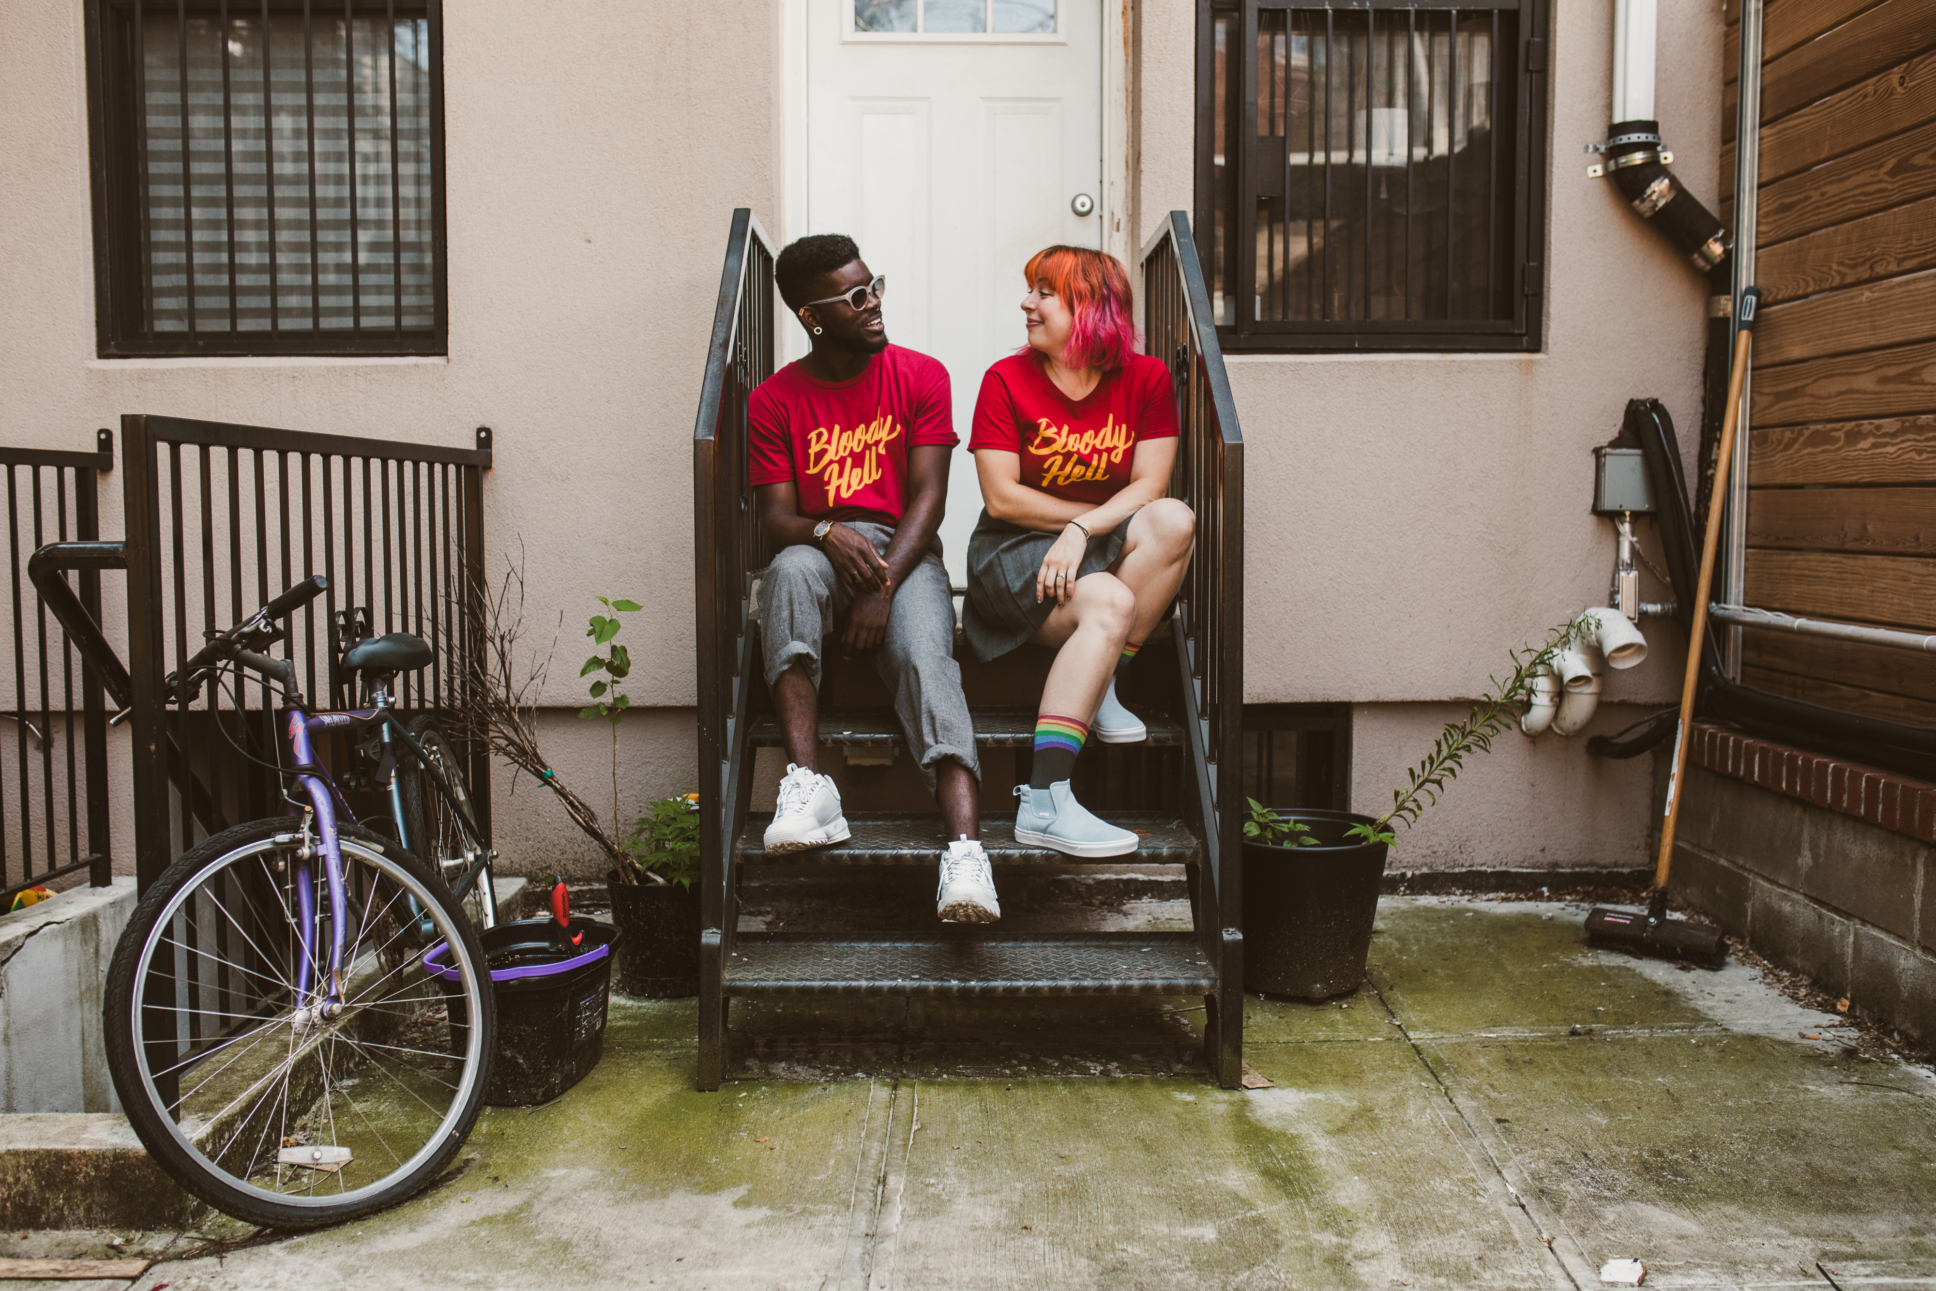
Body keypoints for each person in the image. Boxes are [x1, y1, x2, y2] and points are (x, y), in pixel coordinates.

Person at [748, 233, 999, 923]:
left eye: (874, 286)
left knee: (924, 653)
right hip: (823, 547)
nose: (874, 304)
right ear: (813, 316)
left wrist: (882, 584)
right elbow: (778, 517)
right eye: (855, 297)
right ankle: (808, 787)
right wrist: (828, 531)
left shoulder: (921, 375)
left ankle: (966, 855)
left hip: (906, 553)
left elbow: (930, 499)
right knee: (789, 571)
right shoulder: (774, 401)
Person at [964, 245, 1196, 857]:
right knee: (1111, 601)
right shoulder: (1005, 380)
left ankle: (1104, 680)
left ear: (1089, 307)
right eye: (1030, 290)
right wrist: (1083, 524)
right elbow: (1003, 498)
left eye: (1044, 292)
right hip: (1011, 552)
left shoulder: (1145, 379)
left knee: (1174, 520)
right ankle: (1044, 799)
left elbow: (1151, 487)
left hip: (1092, 537)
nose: (1027, 303)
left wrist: (1084, 531)